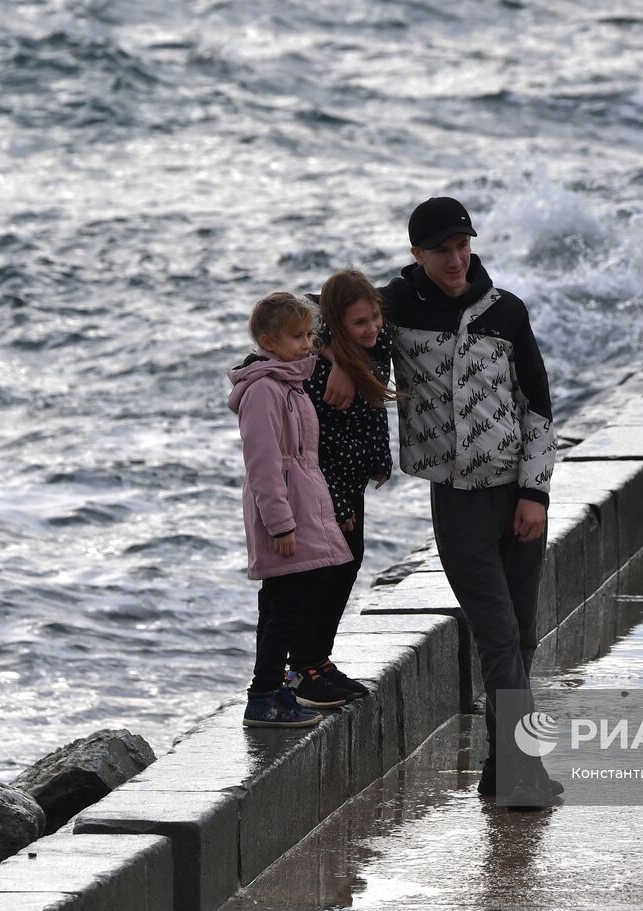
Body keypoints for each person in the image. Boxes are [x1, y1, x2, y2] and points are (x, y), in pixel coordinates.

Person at [325, 197, 561, 808]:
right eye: (441, 250)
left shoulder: (506, 312)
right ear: (417, 255)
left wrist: (535, 492)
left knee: (524, 635)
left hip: (519, 498)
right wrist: (338, 359)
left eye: (463, 246)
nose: (456, 260)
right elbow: (321, 312)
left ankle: (500, 765)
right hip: (458, 504)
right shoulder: (394, 309)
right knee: (499, 635)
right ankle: (522, 775)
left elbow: (537, 406)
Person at [228, 291, 354, 728]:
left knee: (291, 603)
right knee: (282, 608)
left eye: (309, 335)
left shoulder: (290, 384)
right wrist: (281, 525)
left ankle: (275, 688)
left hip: (302, 509)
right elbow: (263, 465)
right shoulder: (264, 390)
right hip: (283, 518)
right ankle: (263, 696)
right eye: (296, 337)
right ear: (268, 340)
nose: (306, 344)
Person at [284, 268, 396, 709]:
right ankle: (302, 668)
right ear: (335, 324)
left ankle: (320, 660)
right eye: (360, 323)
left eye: (374, 318)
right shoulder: (316, 373)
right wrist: (338, 500)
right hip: (328, 486)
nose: (372, 329)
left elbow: (371, 415)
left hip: (354, 480)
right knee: (326, 570)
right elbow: (322, 444)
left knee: (350, 563)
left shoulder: (376, 345)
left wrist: (346, 356)